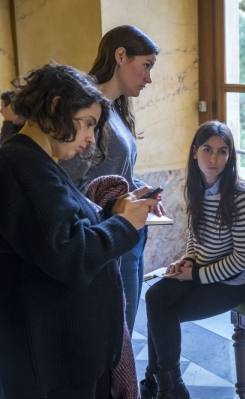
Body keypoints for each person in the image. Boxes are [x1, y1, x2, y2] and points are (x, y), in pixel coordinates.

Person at [0, 64, 158, 399]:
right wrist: (124, 224)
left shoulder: (39, 164)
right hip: (52, 365)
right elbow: (69, 253)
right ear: (56, 105)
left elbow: (61, 234)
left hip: (67, 357)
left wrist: (114, 212)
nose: (90, 139)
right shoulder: (19, 164)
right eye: (87, 123)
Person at [140, 121, 245, 399]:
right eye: (207, 149)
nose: (213, 159)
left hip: (238, 282)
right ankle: (166, 386)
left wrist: (194, 276)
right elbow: (196, 237)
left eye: (222, 152)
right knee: (155, 297)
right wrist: (188, 261)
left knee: (162, 313)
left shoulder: (242, 197)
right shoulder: (196, 188)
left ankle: (161, 386)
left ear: (230, 156)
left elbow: (243, 259)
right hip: (204, 270)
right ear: (195, 152)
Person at [60, 25, 164, 334]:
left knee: (125, 334)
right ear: (120, 56)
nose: (148, 77)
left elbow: (116, 175)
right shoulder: (89, 112)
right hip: (107, 237)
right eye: (145, 65)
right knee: (115, 339)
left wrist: (140, 191)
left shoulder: (116, 108)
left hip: (129, 234)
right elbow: (72, 186)